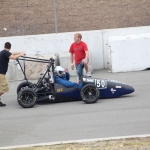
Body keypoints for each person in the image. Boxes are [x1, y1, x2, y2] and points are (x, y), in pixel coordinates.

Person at [0, 42, 26, 107]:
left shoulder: (3, 52)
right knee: (4, 88)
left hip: (1, 73)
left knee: (1, 88)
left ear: (4, 46)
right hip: (1, 74)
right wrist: (21, 54)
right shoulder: (6, 53)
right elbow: (13, 57)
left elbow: (13, 53)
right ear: (10, 47)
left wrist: (20, 52)